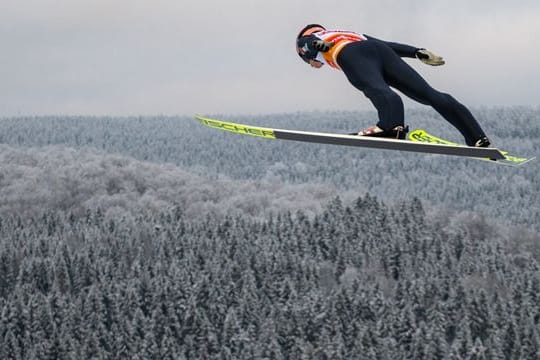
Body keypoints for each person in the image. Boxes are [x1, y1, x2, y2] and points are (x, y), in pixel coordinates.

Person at [296, 24, 491, 147]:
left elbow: (306, 43)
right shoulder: (348, 32)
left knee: (374, 87)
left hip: (350, 54)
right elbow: (387, 44)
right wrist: (416, 52)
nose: (313, 66)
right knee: (429, 94)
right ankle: (476, 138)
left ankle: (391, 127)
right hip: (381, 51)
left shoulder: (312, 40)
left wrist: (316, 46)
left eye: (309, 63)